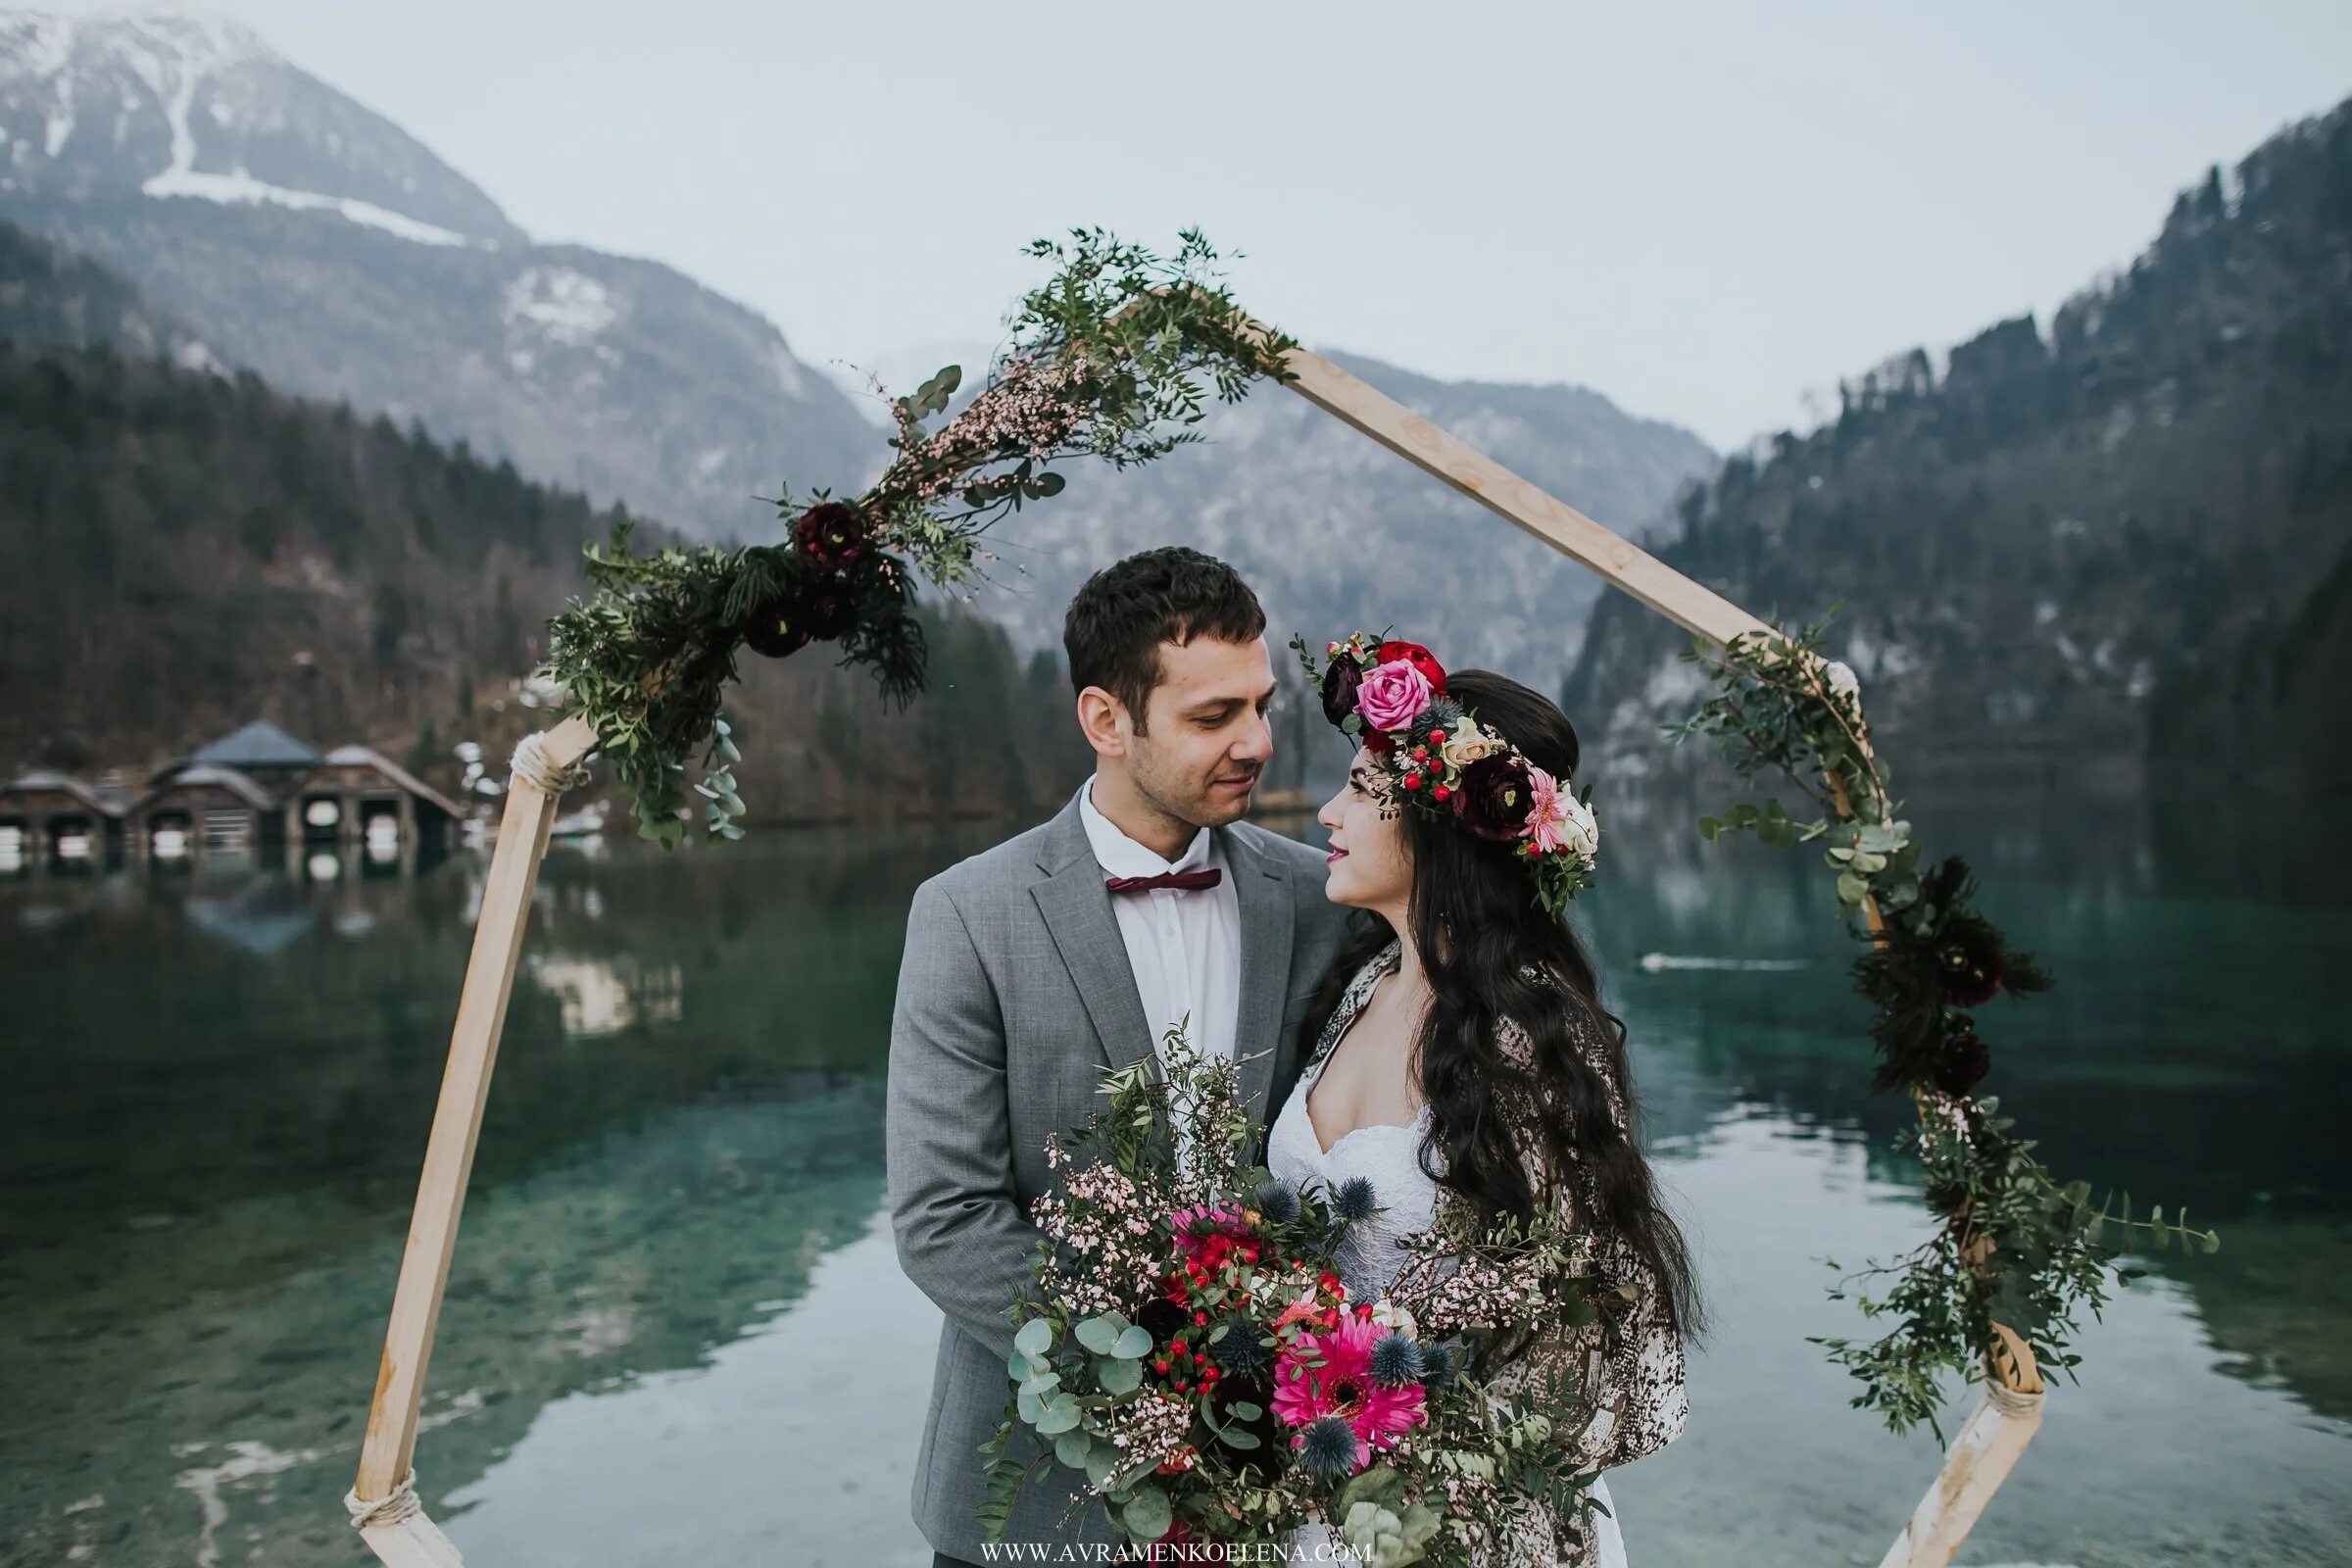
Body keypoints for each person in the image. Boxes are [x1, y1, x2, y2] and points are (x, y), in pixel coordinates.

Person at [886, 547, 1354, 1568]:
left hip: (1273, 1486)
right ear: (1106, 720)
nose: (1257, 742)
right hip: (1029, 1496)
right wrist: (1158, 1354)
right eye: (1212, 716)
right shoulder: (966, 915)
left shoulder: (1322, 904)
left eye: (1261, 706)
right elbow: (941, 1219)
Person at [1267, 657, 1698, 1567]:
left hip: (1465, 1512)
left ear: (1434, 825)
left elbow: (1573, 1289)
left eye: (1356, 790)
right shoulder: (1362, 984)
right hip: (1322, 1480)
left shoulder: (1531, 1037)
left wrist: (1396, 1374)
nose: (1327, 816)